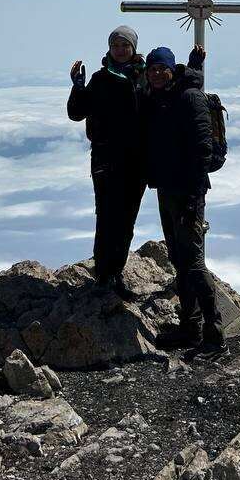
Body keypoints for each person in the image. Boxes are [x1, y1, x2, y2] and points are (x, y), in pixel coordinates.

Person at [141, 43, 224, 360]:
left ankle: (213, 335)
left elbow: (202, 149)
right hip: (167, 189)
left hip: (188, 192)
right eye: (152, 69)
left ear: (172, 70)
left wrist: (192, 197)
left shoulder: (188, 97)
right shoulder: (160, 97)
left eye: (162, 68)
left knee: (193, 262)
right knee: (178, 258)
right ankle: (189, 328)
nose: (157, 73)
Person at [67, 25, 146, 300]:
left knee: (127, 220)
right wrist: (77, 88)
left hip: (137, 161)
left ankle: (116, 273)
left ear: (133, 48)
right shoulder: (100, 79)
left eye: (125, 45)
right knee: (107, 217)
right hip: (105, 158)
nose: (120, 50)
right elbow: (76, 113)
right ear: (109, 49)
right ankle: (103, 274)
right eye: (116, 45)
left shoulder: (144, 77)